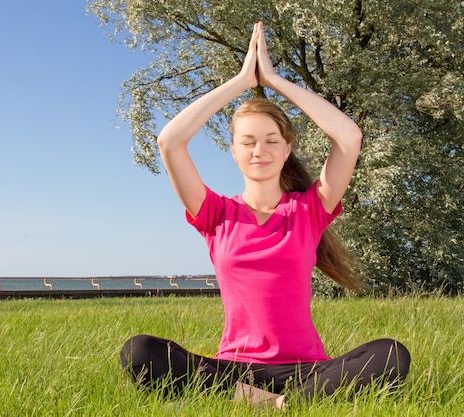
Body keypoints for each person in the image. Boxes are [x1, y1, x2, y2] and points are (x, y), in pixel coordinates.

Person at [119, 22, 411, 409]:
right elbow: (170, 141)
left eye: (272, 140)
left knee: (391, 354)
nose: (260, 150)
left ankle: (283, 401)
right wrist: (242, 81)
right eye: (248, 141)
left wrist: (273, 80)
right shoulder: (215, 214)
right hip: (232, 369)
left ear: (287, 148)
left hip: (306, 369)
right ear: (234, 150)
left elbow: (349, 137)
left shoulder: (309, 209)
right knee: (138, 352)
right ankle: (270, 402)